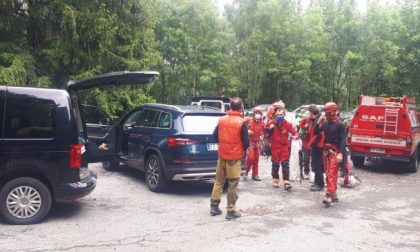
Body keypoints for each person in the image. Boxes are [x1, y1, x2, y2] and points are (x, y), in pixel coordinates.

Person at [210, 97, 250, 220]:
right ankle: (231, 210)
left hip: (222, 156)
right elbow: (246, 143)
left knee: (218, 181)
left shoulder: (221, 120)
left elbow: (214, 137)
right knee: (233, 183)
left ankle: (214, 207)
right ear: (241, 107)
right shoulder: (241, 122)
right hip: (234, 158)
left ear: (229, 107)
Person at [315, 102, 346, 206]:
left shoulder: (340, 125)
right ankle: (334, 193)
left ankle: (328, 195)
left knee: (331, 173)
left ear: (333, 112)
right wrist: (318, 123)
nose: (326, 115)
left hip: (335, 152)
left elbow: (343, 140)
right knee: (328, 173)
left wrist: (341, 153)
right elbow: (316, 132)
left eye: (328, 113)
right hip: (326, 152)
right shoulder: (325, 124)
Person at [266, 107, 299, 190]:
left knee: (285, 164)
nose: (280, 115)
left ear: (284, 114)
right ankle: (275, 179)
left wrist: (296, 136)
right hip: (275, 146)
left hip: (284, 146)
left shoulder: (287, 124)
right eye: (278, 114)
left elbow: (294, 131)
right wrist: (270, 128)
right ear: (276, 114)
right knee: (275, 164)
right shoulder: (272, 123)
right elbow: (265, 131)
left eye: (281, 114)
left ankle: (286, 181)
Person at [307, 105, 325, 191]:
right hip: (315, 144)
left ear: (312, 112)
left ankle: (320, 184)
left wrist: (313, 144)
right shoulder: (314, 119)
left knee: (317, 165)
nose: (308, 114)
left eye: (309, 112)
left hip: (318, 145)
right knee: (315, 164)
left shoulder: (319, 120)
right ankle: (316, 181)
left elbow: (319, 134)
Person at [245, 106, 265, 181]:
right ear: (254, 113)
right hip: (250, 142)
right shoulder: (248, 120)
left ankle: (255, 174)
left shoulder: (262, 123)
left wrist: (262, 136)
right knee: (250, 157)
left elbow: (265, 131)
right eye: (257, 113)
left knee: (256, 159)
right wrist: (247, 131)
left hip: (257, 143)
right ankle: (246, 171)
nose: (258, 114)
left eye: (259, 113)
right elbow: (241, 127)